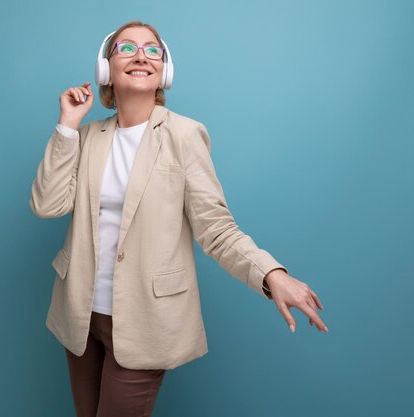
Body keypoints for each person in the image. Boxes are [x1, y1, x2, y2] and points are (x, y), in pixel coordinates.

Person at [29, 20, 328, 417]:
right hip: (80, 316)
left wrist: (272, 275)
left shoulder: (185, 136)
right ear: (106, 69)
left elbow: (216, 229)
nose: (141, 56)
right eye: (127, 48)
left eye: (153, 50)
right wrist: (67, 124)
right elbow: (47, 204)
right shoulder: (87, 138)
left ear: (164, 72)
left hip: (145, 321)